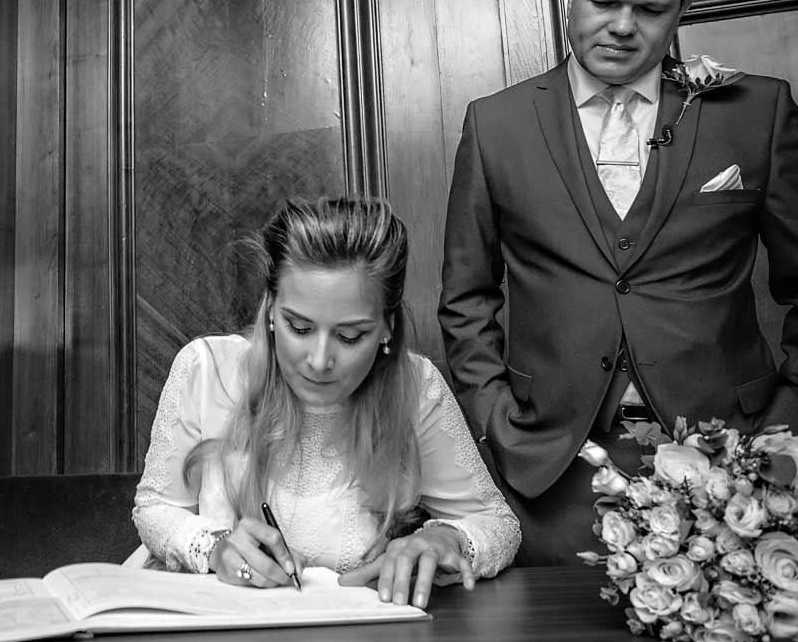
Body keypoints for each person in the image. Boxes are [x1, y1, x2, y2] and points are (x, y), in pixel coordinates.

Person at [439, 0, 798, 566]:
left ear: (683, 8)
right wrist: (497, 422)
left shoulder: (753, 112)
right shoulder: (496, 125)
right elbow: (467, 296)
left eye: (650, 9)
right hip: (549, 469)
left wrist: (787, 441)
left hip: (733, 466)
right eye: (604, 1)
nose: (622, 26)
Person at [131, 196, 517, 608]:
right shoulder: (206, 371)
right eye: (299, 327)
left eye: (350, 337)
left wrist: (445, 538)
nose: (319, 361)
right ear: (272, 312)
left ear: (388, 327)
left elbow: (499, 524)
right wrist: (213, 548)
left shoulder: (416, 388)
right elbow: (154, 508)